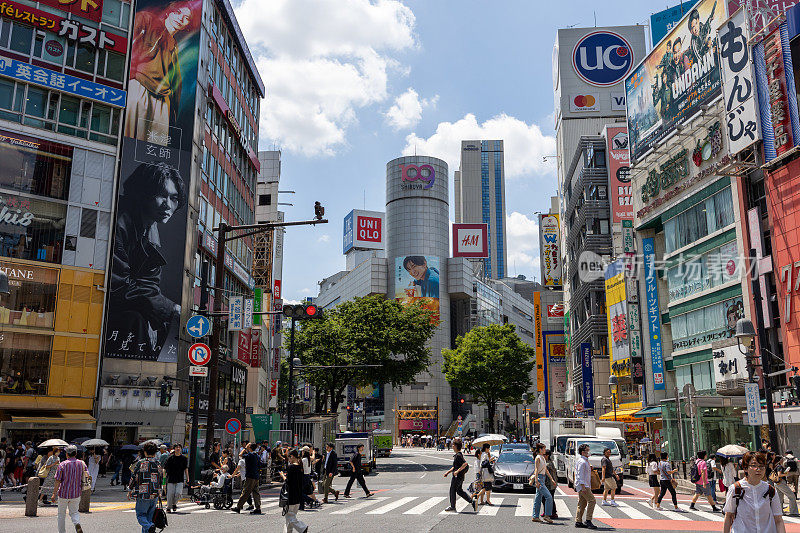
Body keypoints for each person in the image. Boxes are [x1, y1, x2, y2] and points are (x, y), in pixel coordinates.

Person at [106, 162, 186, 360]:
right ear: (143, 193)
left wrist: (157, 316)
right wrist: (170, 309)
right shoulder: (119, 221)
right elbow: (117, 286)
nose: (167, 205)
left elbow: (148, 284)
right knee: (136, 321)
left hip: (124, 310)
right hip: (99, 304)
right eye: (161, 195)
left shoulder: (149, 229)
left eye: (174, 198)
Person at [124, 1, 194, 141]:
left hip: (162, 97)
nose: (180, 18)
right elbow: (129, 47)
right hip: (139, 87)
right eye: (178, 12)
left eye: (186, 17)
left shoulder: (174, 46)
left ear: (188, 24)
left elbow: (176, 82)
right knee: (130, 140)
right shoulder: (147, 19)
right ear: (169, 11)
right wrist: (131, 77)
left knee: (154, 150)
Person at [723, 450, 785, 533]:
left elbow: (778, 520)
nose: (758, 469)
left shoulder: (770, 490)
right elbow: (728, 516)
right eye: (754, 465)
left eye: (762, 466)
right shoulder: (735, 489)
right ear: (745, 468)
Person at [128, 441, 162, 533]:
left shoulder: (140, 463)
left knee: (141, 515)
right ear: (155, 453)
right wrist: (160, 491)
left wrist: (130, 489)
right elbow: (161, 478)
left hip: (143, 493)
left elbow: (134, 477)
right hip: (154, 493)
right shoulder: (158, 463)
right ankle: (149, 526)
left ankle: (150, 526)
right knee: (149, 517)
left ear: (145, 452)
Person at [52, 445, 86, 533]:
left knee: (61, 515)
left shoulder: (62, 464)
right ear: (76, 453)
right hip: (76, 493)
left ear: (67, 454)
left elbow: (57, 480)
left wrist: (54, 494)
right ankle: (77, 523)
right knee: (74, 512)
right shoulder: (82, 464)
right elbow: (86, 476)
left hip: (63, 493)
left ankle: (62, 532)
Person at [443, 440, 476, 512]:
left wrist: (457, 471)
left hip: (457, 477)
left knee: (452, 490)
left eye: (453, 445)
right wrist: (448, 472)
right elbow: (455, 467)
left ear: (456, 446)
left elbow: (465, 464)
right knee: (459, 491)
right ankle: (471, 501)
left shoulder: (458, 455)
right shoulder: (458, 455)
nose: (452, 446)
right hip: (460, 477)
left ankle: (452, 507)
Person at [281, 449, 308, 533]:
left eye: (288, 457)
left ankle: (302, 527)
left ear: (292, 456)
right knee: (291, 517)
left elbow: (288, 482)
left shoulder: (291, 467)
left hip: (291, 495)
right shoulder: (300, 466)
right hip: (298, 495)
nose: (288, 460)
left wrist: (282, 476)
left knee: (289, 516)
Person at [232, 442, 261, 514]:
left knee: (246, 492)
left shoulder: (250, 455)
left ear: (250, 447)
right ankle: (258, 508)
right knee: (256, 492)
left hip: (250, 476)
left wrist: (245, 448)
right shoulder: (257, 455)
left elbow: (240, 455)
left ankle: (238, 507)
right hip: (256, 476)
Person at [529, 443, 555, 523]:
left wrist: (552, 479)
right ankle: (547, 516)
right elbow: (536, 470)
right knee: (549, 496)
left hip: (542, 478)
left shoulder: (543, 458)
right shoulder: (538, 458)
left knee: (538, 498)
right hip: (540, 478)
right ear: (540, 449)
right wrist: (536, 481)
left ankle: (535, 516)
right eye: (543, 448)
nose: (545, 450)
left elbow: (546, 470)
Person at [574, 443, 597, 529]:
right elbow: (580, 475)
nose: (589, 452)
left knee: (582, 503)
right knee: (592, 501)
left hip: (583, 485)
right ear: (583, 452)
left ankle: (578, 521)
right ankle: (588, 520)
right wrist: (583, 486)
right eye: (587, 450)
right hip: (583, 485)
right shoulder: (582, 462)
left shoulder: (585, 461)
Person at [164, 443, 188, 513]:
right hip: (170, 478)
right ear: (174, 449)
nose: (178, 449)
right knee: (170, 494)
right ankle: (169, 507)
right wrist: (164, 479)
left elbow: (186, 469)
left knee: (178, 493)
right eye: (176, 447)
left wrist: (187, 478)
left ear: (181, 449)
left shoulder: (184, 458)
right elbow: (165, 469)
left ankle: (174, 504)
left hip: (180, 478)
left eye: (179, 447)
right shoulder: (170, 458)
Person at [544, 450, 559, 519]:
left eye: (544, 455)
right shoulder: (550, 462)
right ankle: (548, 511)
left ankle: (552, 513)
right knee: (549, 498)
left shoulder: (548, 464)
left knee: (548, 498)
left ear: (547, 455)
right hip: (552, 483)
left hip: (550, 484)